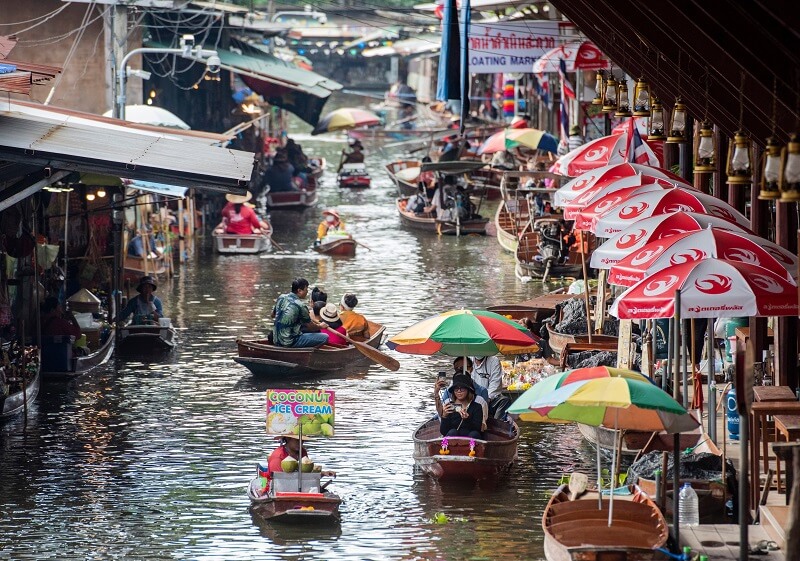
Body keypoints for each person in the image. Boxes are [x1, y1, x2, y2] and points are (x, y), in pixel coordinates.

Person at [271, 278, 329, 348]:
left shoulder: (281, 297)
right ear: (299, 291)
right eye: (306, 289)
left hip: (275, 340)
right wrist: (320, 326)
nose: (307, 292)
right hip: (290, 342)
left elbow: (273, 315)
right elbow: (311, 327)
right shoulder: (301, 305)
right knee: (325, 337)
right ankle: (309, 353)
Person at [439, 374, 484, 439]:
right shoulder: (449, 406)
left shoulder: (477, 407)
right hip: (453, 441)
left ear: (468, 390)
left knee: (474, 434)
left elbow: (477, 429)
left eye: (462, 388)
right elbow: (443, 432)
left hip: (470, 441)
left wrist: (467, 419)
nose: (459, 391)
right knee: (452, 432)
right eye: (456, 389)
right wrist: (444, 416)